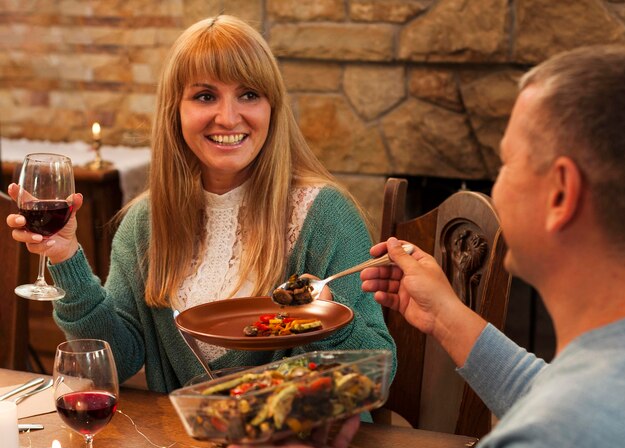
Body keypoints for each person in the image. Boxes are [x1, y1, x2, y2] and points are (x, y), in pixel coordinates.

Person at [226, 44, 625, 448]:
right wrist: (445, 318)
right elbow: (556, 393)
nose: (499, 181)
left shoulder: (558, 445)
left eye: (508, 163)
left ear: (561, 193)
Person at [5, 15, 395, 393]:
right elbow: (118, 361)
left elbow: (376, 373)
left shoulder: (324, 215)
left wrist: (326, 321)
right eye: (205, 96)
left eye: (249, 94)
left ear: (273, 109)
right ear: (175, 111)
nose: (228, 117)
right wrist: (66, 256)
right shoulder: (147, 222)